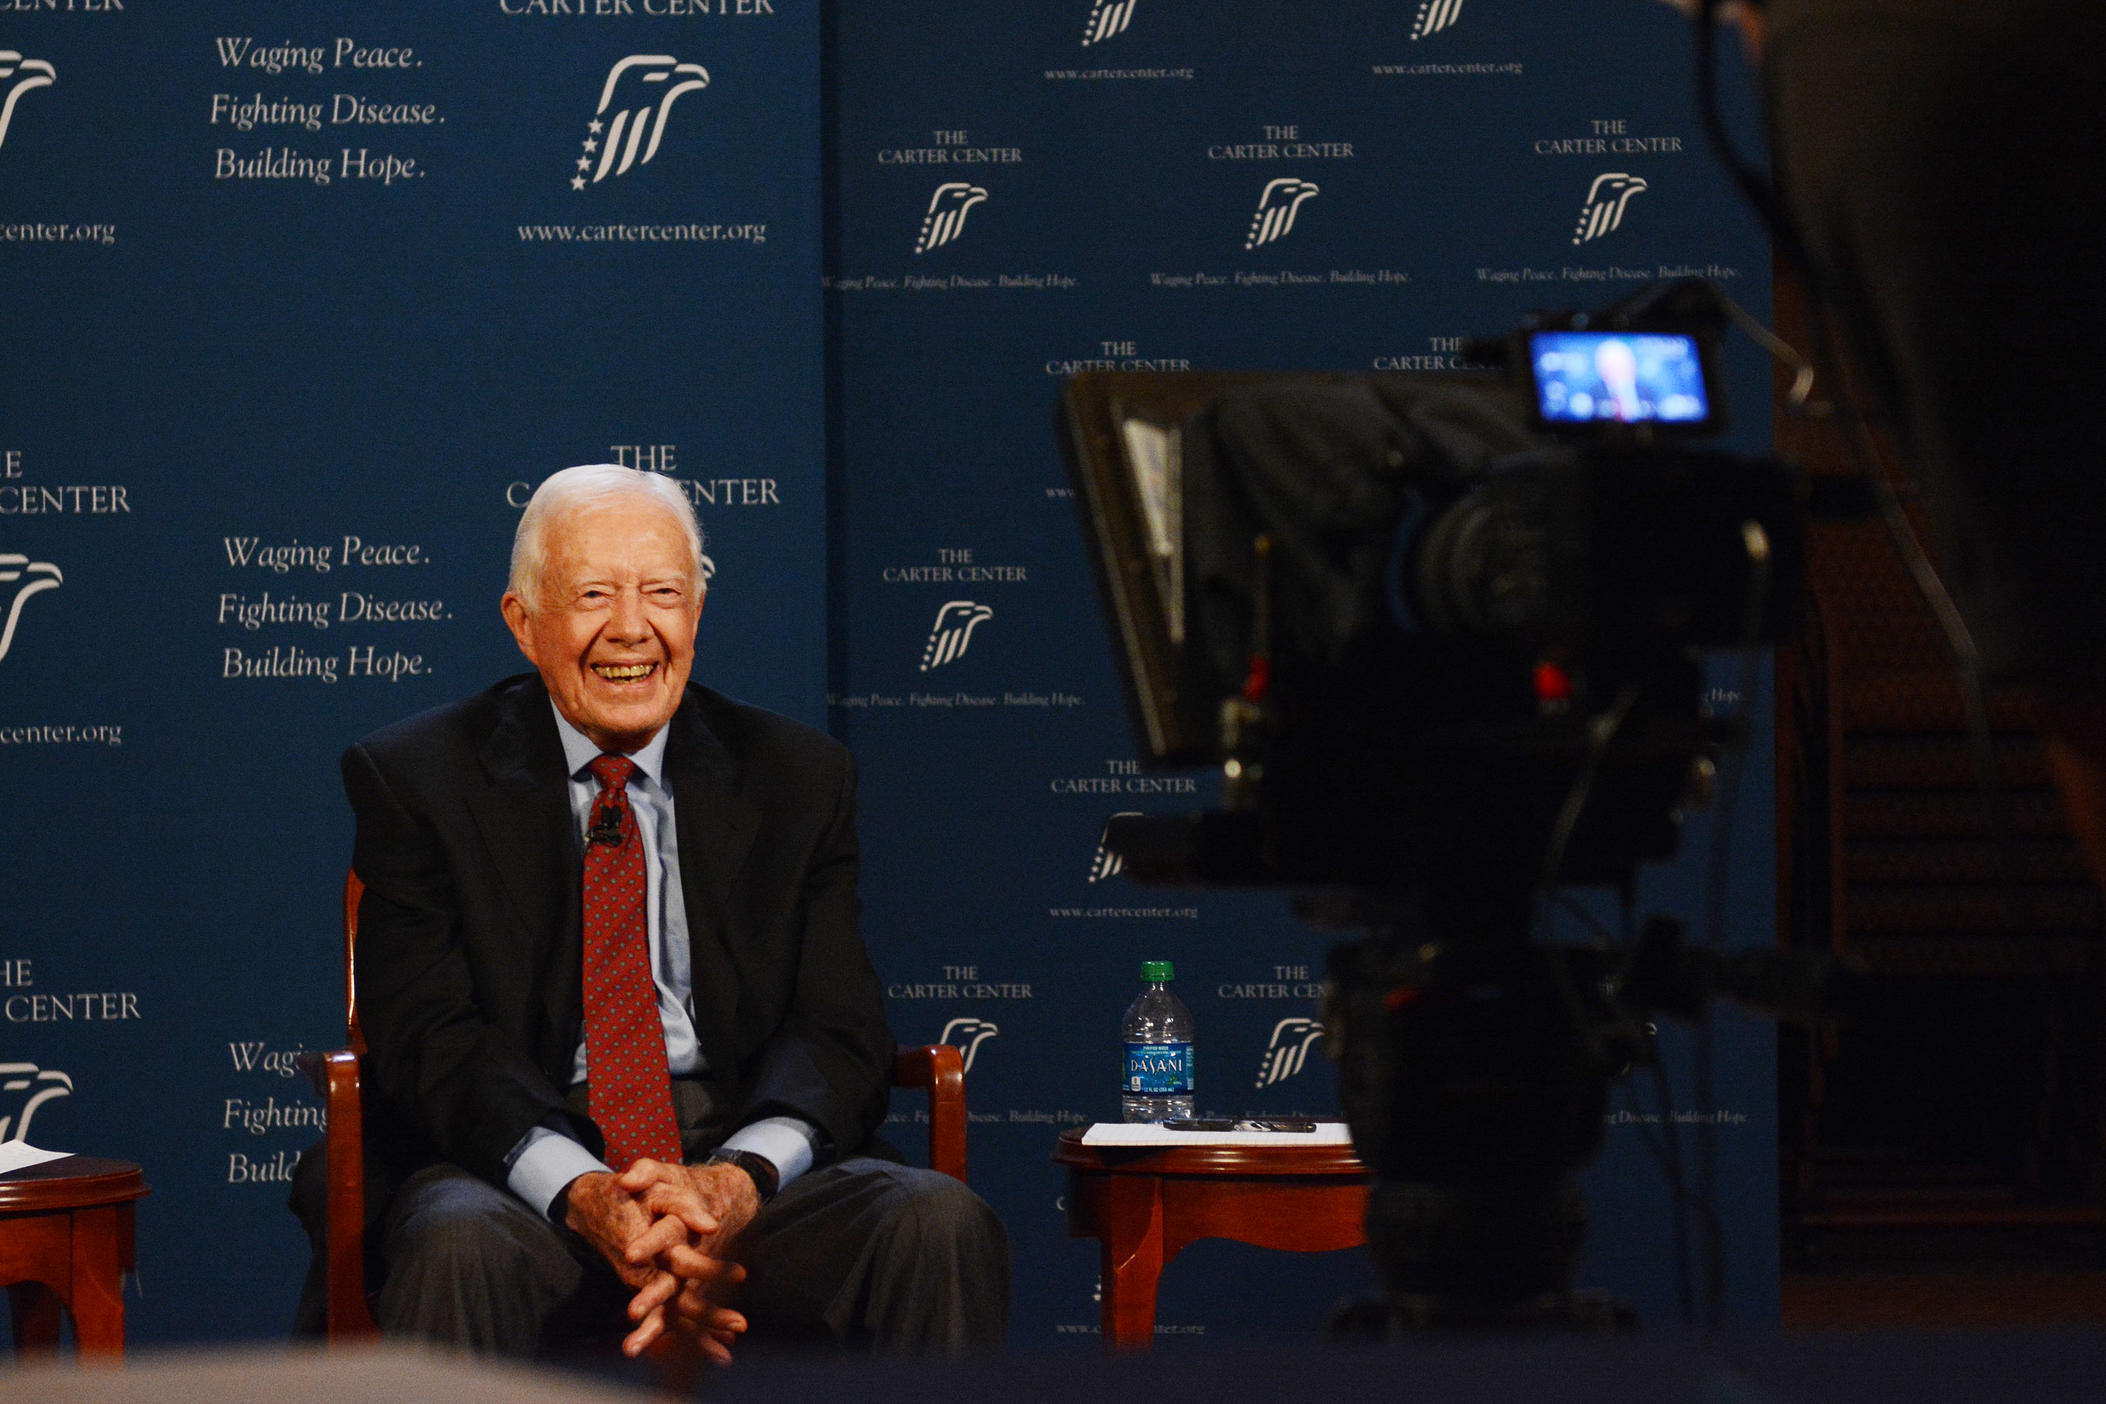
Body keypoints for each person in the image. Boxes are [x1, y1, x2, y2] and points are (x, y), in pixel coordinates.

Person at [291, 463, 1008, 1360]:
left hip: (738, 1156)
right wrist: (589, 1190)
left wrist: (732, 1184)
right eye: (593, 594)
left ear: (696, 614)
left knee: (933, 1222)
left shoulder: (798, 778)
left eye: (663, 593)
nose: (631, 629)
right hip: (519, 1169)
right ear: (524, 623)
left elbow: (840, 1031)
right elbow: (430, 1037)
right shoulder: (417, 780)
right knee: (455, 1243)